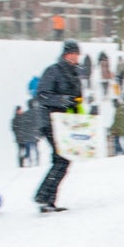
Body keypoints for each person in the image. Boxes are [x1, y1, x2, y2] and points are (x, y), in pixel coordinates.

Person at [33, 39, 84, 212]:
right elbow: (42, 95)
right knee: (61, 159)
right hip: (51, 121)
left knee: (62, 160)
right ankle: (43, 196)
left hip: (67, 123)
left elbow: (76, 100)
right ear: (65, 54)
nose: (75, 57)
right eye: (72, 54)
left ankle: (48, 200)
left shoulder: (75, 74)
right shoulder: (53, 71)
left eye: (77, 54)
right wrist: (62, 100)